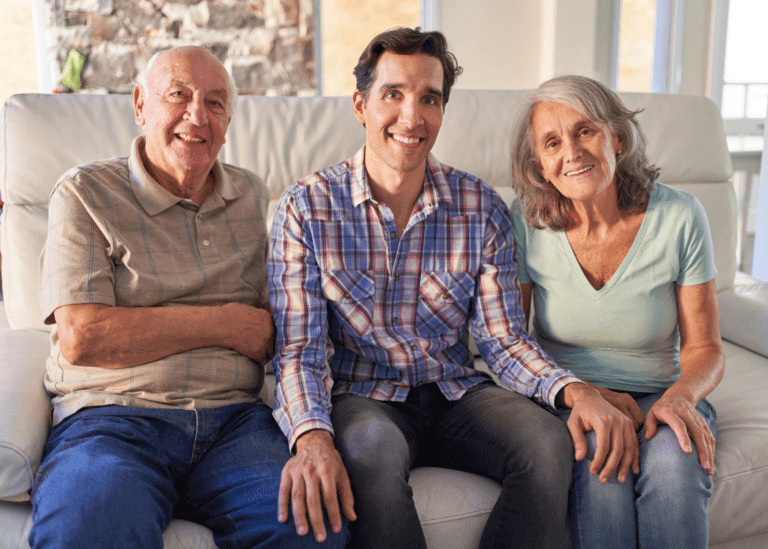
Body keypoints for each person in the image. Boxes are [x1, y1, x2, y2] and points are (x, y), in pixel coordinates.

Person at [268, 28, 639, 549]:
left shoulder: (480, 207)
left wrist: (577, 392)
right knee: (369, 450)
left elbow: (504, 339)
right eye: (393, 94)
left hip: (454, 391)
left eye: (430, 99)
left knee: (547, 441)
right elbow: (299, 349)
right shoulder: (304, 208)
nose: (411, 117)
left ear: (442, 110)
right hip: (363, 396)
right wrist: (311, 435)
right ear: (360, 104)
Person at [31, 46, 349, 549]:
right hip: (113, 417)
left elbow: (277, 327)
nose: (197, 115)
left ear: (227, 121)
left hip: (235, 423)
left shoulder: (252, 196)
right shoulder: (84, 192)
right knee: (86, 530)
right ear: (140, 105)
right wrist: (224, 325)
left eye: (216, 103)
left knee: (313, 528)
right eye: (178, 95)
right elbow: (83, 337)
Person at [509, 75, 724, 548]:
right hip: (573, 398)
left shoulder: (681, 216)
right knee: (602, 480)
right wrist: (583, 394)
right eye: (552, 142)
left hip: (662, 393)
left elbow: (705, 346)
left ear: (618, 138)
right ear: (542, 167)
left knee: (674, 464)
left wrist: (681, 397)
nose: (572, 152)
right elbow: (510, 340)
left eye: (585, 131)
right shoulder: (525, 222)